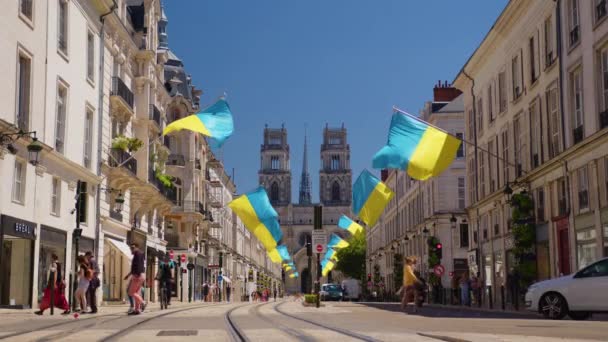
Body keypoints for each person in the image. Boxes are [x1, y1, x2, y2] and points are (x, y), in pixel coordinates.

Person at [124, 243, 145, 315]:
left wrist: (136, 274)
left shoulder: (137, 254)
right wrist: (128, 275)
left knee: (131, 292)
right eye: (131, 248)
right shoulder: (140, 254)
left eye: (133, 248)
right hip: (141, 275)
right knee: (136, 293)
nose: (131, 249)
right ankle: (137, 310)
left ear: (137, 248)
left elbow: (138, 265)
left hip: (137, 276)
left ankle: (142, 302)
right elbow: (137, 266)